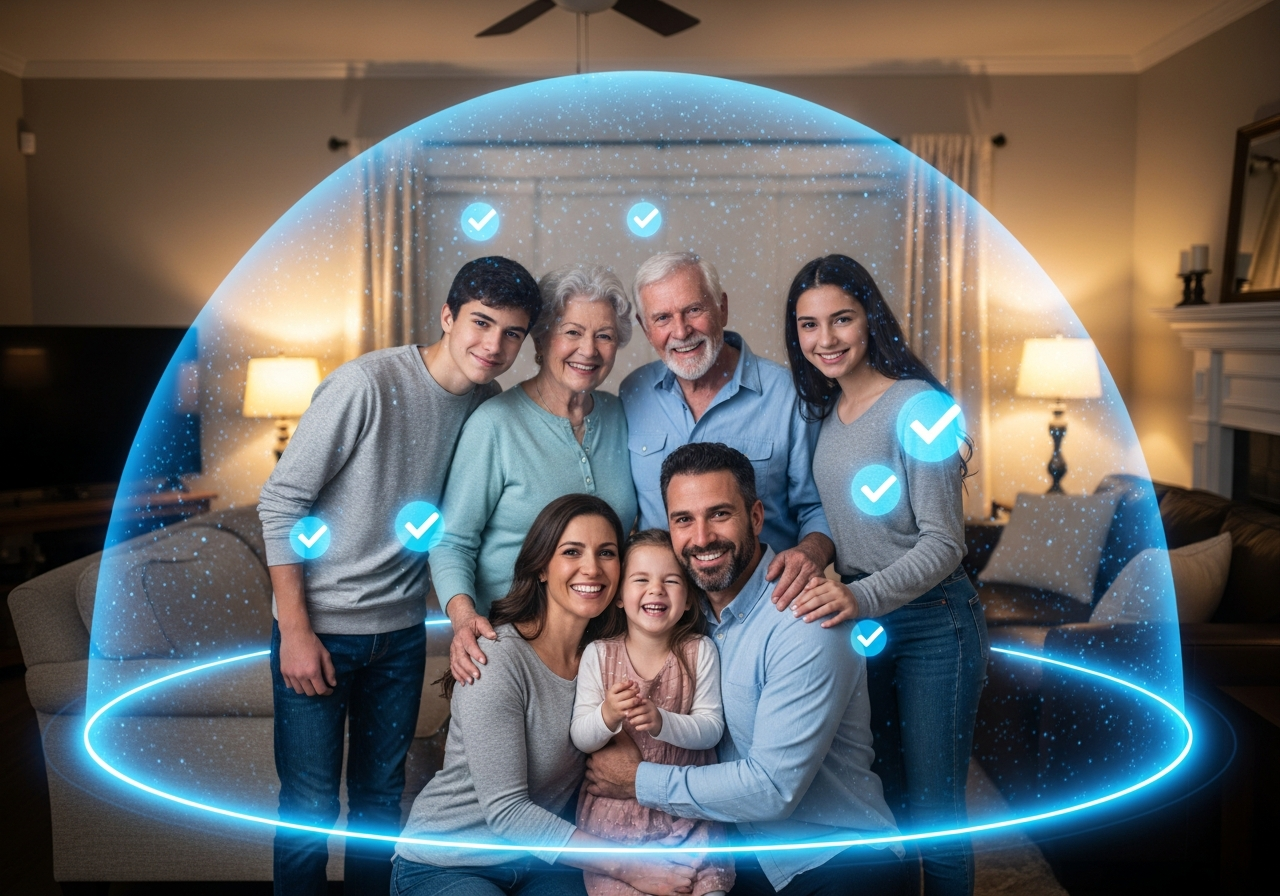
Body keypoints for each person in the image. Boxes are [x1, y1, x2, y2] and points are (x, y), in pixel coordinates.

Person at [256, 256, 542, 896]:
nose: (493, 346)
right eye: (481, 323)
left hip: (401, 634)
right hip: (321, 631)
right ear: (447, 315)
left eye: (512, 334)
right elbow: (279, 504)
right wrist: (296, 632)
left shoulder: (485, 402)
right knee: (308, 808)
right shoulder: (365, 384)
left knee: (382, 804)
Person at [585, 443, 906, 896]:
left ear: (755, 517)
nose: (701, 538)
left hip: (834, 860)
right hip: (738, 857)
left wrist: (637, 781)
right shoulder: (682, 613)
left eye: (719, 514)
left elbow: (773, 789)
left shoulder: (805, 620)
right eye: (683, 520)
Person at [782, 254, 988, 896]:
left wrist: (858, 595)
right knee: (888, 803)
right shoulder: (822, 415)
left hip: (934, 625)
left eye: (841, 319)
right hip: (866, 628)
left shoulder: (916, 405)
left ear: (870, 319)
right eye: (809, 325)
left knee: (935, 815)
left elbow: (944, 544)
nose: (825, 339)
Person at [393, 494, 699, 896]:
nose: (592, 568)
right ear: (541, 567)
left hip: (545, 863)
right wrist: (631, 866)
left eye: (607, 553)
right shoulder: (498, 658)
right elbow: (507, 813)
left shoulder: (608, 655)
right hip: (449, 862)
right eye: (572, 551)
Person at [435, 263, 639, 686]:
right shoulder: (495, 424)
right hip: (509, 646)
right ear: (542, 338)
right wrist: (463, 618)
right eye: (572, 332)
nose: (589, 349)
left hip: (598, 648)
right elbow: (452, 541)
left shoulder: (622, 416)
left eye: (604, 335)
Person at [619, 251, 834, 612]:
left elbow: (819, 506)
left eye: (693, 310)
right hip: (667, 618)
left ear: (722, 307)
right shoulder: (632, 393)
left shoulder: (789, 395)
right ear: (644, 327)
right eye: (662, 318)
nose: (681, 331)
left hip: (766, 607)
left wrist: (811, 551)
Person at [571, 529, 734, 896]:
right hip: (615, 823)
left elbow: (711, 729)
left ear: (691, 599)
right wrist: (608, 715)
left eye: (671, 580)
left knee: (706, 887)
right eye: (641, 579)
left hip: (688, 816)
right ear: (618, 597)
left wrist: (663, 722)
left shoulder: (699, 651)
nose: (656, 590)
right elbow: (581, 736)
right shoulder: (599, 654)